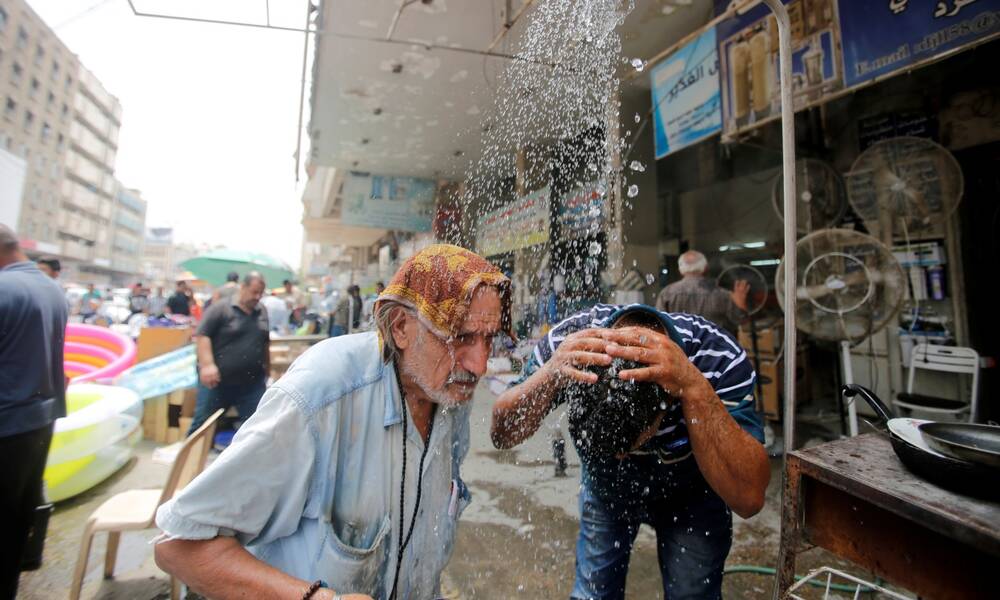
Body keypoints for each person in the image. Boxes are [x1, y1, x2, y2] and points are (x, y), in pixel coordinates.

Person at [154, 244, 510, 600]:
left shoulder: (449, 395)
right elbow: (179, 546)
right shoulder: (320, 397)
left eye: (488, 339)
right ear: (401, 327)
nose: (479, 364)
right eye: (459, 337)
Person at [491, 303, 769, 600]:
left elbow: (749, 498)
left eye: (628, 447)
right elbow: (503, 434)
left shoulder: (716, 357)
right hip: (606, 490)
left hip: (694, 496)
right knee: (592, 594)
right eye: (609, 451)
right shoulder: (570, 345)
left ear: (666, 404)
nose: (620, 458)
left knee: (693, 594)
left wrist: (693, 386)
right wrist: (550, 373)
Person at [0, 226, 68, 598]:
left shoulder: (5, 289)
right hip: (40, 420)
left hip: (8, 422)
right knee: (16, 519)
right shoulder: (52, 289)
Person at [185, 273, 269, 435]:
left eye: (261, 293)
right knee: (203, 424)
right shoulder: (221, 309)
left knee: (255, 428)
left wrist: (267, 369)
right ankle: (191, 459)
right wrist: (207, 365)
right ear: (243, 288)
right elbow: (202, 335)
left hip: (251, 383)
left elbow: (265, 342)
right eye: (254, 292)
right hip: (217, 381)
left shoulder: (262, 311)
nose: (257, 297)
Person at [656, 250, 751, 336]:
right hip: (714, 351)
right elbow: (741, 321)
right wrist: (741, 304)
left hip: (681, 351)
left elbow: (658, 324)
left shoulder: (666, 293)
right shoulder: (722, 294)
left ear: (680, 270)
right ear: (705, 268)